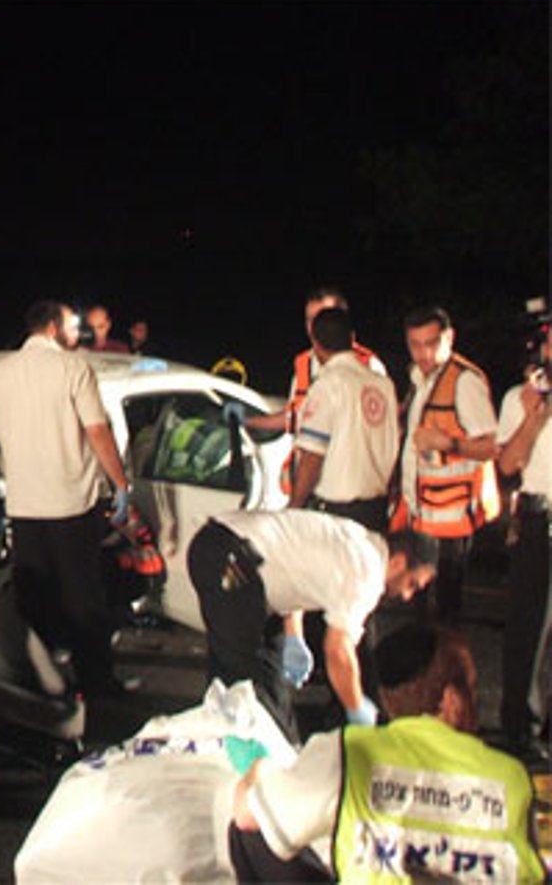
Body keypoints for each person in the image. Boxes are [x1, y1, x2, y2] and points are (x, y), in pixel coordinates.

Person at [230, 623, 545, 883]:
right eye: (472, 690)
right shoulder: (512, 777)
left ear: (388, 700)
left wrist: (260, 770)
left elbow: (246, 817)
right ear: (451, 700)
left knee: (257, 831)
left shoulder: (350, 751)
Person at [0, 300, 132, 696]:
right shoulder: (74, 368)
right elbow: (97, 432)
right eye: (74, 326)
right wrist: (121, 485)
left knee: (35, 601)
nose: (79, 334)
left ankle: (37, 686)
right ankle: (96, 684)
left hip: (25, 508)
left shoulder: (1, 372)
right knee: (84, 600)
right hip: (72, 506)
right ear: (53, 328)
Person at [187, 509, 437, 739]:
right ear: (398, 563)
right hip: (227, 559)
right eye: (411, 584)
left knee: (268, 681)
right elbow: (338, 650)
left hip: (232, 554)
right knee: (245, 685)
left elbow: (298, 572)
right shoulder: (367, 573)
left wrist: (294, 636)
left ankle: (272, 753)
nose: (407, 596)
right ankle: (245, 762)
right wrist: (356, 705)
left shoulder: (360, 540)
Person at [395, 305, 500, 623]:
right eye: (416, 344)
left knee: (443, 615)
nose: (424, 352)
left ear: (449, 338)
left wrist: (448, 444)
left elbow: (493, 447)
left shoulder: (464, 382)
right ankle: (430, 671)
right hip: (424, 515)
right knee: (422, 612)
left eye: (432, 343)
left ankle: (448, 672)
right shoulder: (419, 379)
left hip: (452, 522)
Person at [289, 306, 399, 532]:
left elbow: (312, 456)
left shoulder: (328, 385)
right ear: (352, 338)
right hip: (377, 510)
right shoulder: (384, 385)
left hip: (336, 515)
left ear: (315, 344)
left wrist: (295, 505)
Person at [496, 320, 551, 763]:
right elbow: (509, 463)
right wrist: (535, 417)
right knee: (529, 628)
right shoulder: (520, 399)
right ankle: (521, 729)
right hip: (539, 516)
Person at [245, 287, 386, 445]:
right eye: (309, 319)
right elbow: (295, 417)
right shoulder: (304, 365)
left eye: (321, 318)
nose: (314, 327)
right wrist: (246, 421)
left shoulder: (370, 367)